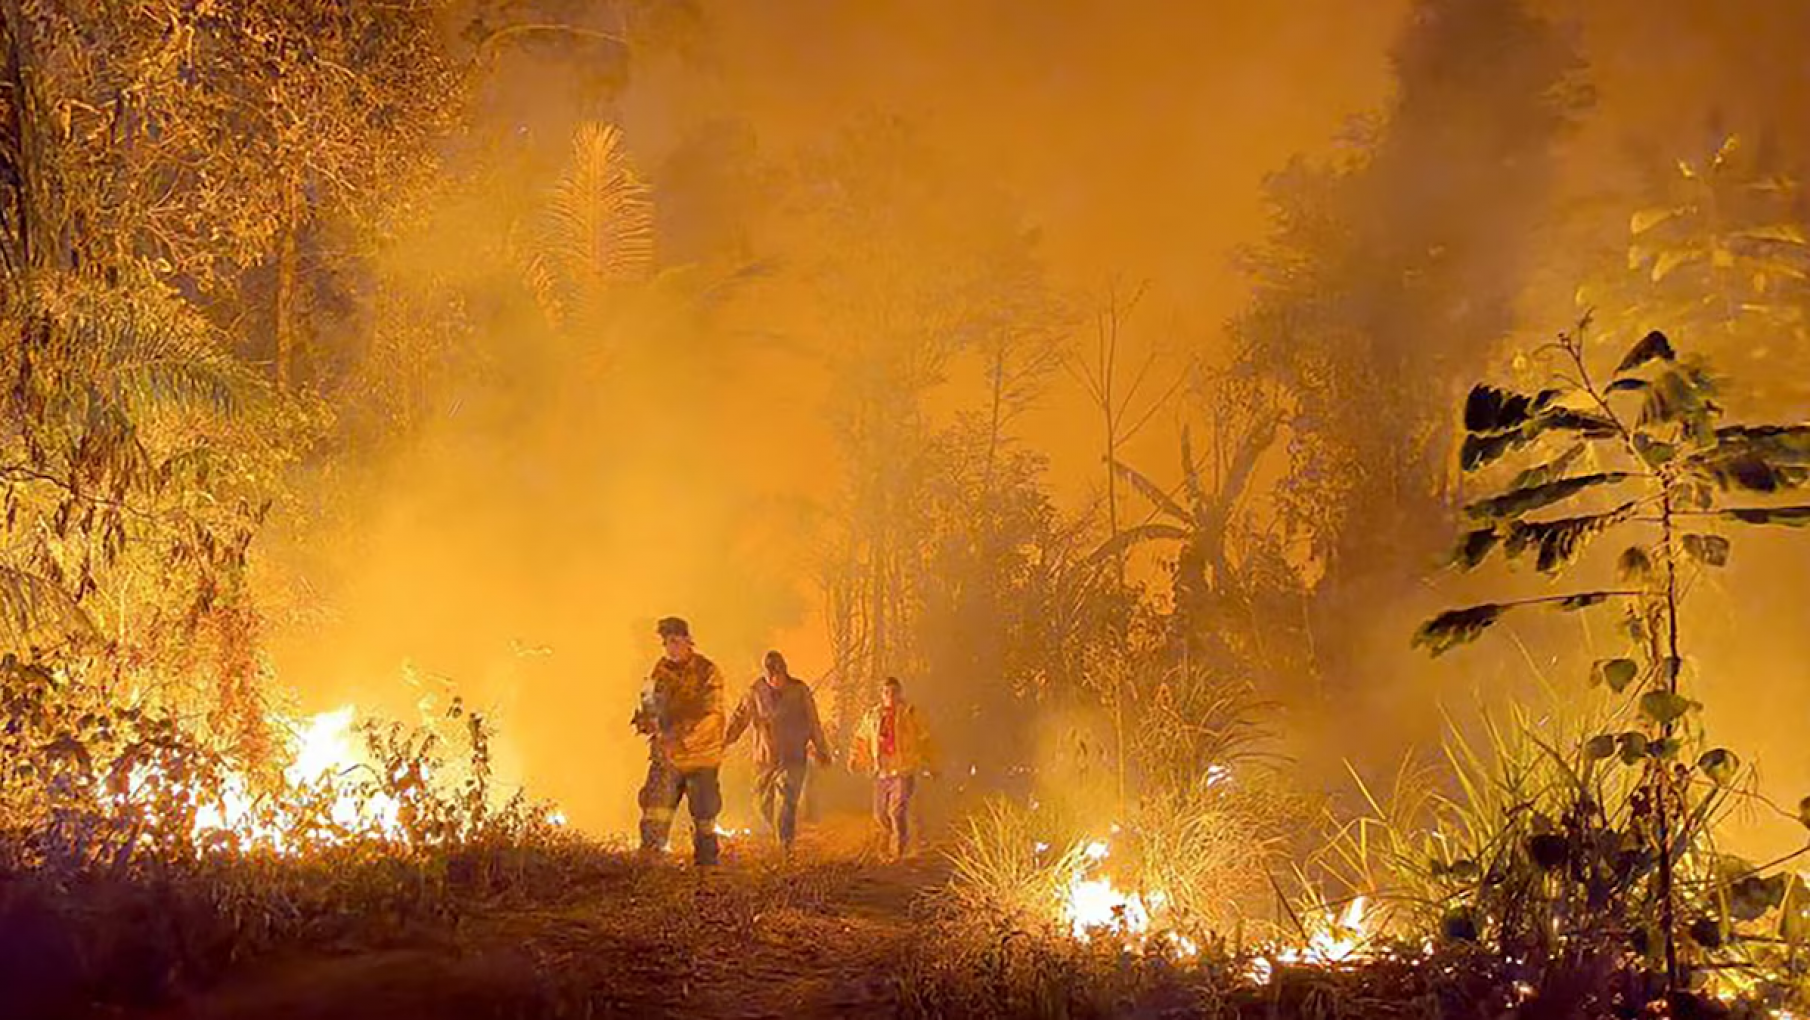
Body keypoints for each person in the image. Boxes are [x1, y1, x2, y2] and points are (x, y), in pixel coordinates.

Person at [632, 616, 726, 866]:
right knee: (654, 810)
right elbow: (649, 702)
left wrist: (684, 741)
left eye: (674, 641)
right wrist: (646, 718)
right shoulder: (659, 670)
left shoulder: (708, 671)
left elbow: (713, 717)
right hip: (667, 757)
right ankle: (649, 866)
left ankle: (706, 872)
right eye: (665, 643)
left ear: (687, 640)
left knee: (704, 817)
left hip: (700, 757)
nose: (669, 647)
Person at [724, 650, 833, 853]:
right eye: (771, 675)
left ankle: (785, 847)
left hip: (793, 755)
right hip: (765, 758)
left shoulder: (799, 690)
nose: (776, 679)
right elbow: (740, 718)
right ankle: (782, 833)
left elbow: (813, 722)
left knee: (787, 801)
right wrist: (725, 741)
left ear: (785, 672)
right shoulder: (755, 691)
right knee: (761, 803)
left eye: (779, 674)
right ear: (766, 674)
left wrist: (821, 749)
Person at [848, 676, 936, 860]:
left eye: (894, 692)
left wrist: (931, 762)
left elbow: (925, 738)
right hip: (881, 772)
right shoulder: (873, 716)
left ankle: (899, 850)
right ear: (881, 694)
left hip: (904, 770)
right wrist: (855, 759)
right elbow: (861, 739)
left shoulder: (910, 713)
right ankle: (886, 844)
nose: (890, 696)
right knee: (880, 814)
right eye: (886, 692)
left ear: (900, 693)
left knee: (897, 811)